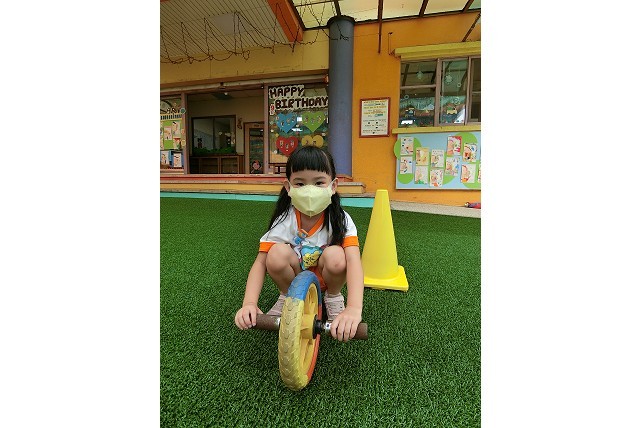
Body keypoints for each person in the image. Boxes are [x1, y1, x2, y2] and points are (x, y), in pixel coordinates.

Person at [234, 145, 364, 342]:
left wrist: (354, 308)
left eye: (319, 182)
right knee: (275, 254)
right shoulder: (285, 220)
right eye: (300, 183)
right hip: (295, 279)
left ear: (333, 186)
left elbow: (353, 261)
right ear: (288, 187)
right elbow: (260, 262)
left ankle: (333, 297)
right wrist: (249, 303)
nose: (310, 191)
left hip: (326, 280)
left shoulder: (340, 219)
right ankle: (287, 296)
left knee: (337, 256)